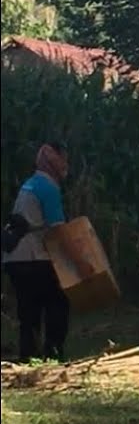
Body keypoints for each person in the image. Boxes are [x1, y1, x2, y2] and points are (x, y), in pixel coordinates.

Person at [3, 143, 72, 361]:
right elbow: (57, 228)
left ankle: (28, 356)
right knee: (57, 304)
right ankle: (53, 354)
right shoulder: (48, 187)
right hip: (34, 256)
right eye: (63, 159)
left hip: (13, 257)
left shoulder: (30, 183)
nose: (65, 165)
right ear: (55, 160)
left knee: (28, 311)